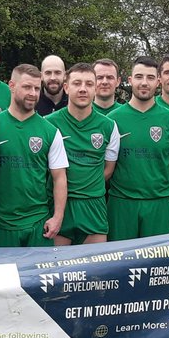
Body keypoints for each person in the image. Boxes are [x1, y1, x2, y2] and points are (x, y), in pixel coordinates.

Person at [103, 56, 169, 241]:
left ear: (158, 81)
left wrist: (151, 179)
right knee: (119, 262)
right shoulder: (113, 119)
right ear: (130, 80)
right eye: (139, 77)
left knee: (159, 263)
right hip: (121, 202)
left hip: (158, 202)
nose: (144, 83)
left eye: (150, 77)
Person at [0, 64, 68, 246]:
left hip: (38, 222)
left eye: (37, 88)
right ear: (12, 86)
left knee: (41, 275)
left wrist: (58, 217)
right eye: (27, 87)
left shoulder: (50, 130)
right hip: (1, 221)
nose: (33, 93)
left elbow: (60, 177)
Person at [47, 64, 118, 245]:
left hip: (93, 206)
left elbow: (108, 169)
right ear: (66, 87)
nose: (83, 89)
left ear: (95, 88)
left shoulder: (109, 126)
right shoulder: (48, 124)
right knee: (57, 270)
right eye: (77, 83)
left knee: (96, 271)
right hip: (59, 205)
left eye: (88, 84)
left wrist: (87, 187)